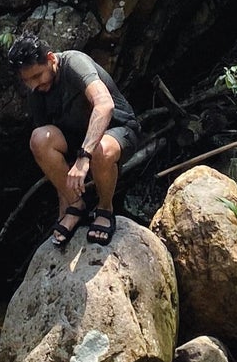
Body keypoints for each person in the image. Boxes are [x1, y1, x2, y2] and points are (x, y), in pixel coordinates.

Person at [7, 34, 141, 248]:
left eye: (37, 76)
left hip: (118, 130)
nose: (33, 85)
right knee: (39, 139)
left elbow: (104, 105)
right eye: (27, 81)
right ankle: (77, 205)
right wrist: (66, 202)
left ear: (51, 59)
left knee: (100, 150)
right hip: (77, 139)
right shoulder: (37, 91)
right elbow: (52, 158)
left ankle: (105, 208)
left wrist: (84, 156)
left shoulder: (74, 63)